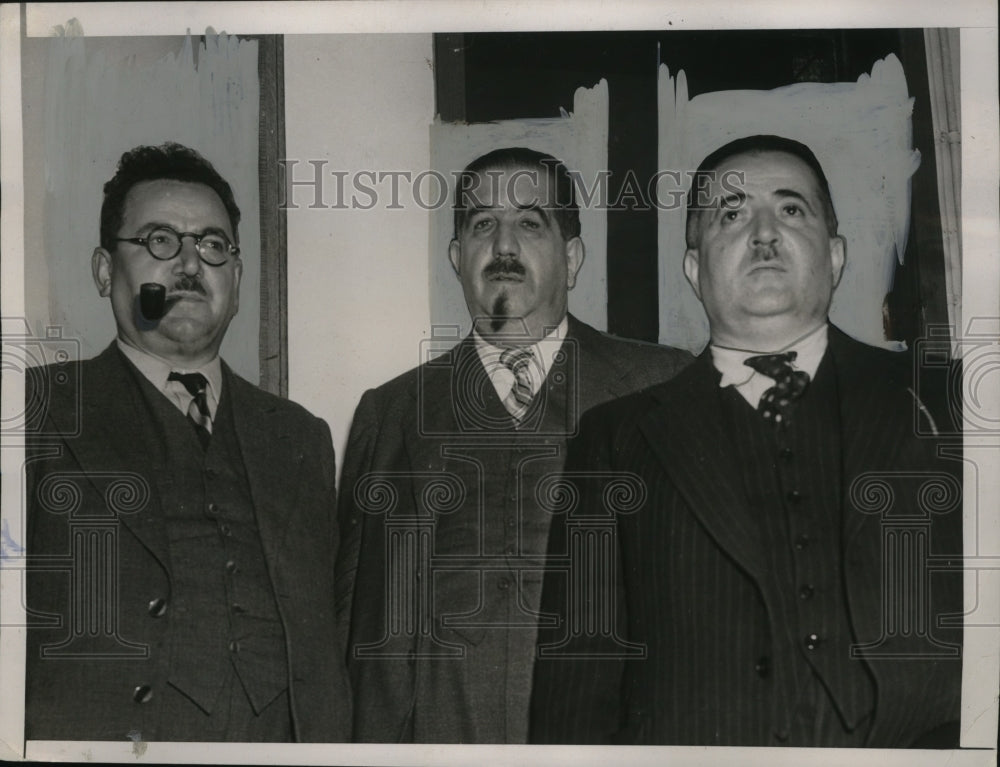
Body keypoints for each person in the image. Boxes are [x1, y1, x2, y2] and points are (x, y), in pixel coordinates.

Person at [530, 135, 963, 748]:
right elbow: (574, 693)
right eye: (730, 216)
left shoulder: (952, 402)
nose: (764, 235)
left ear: (835, 255)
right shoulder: (612, 441)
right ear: (694, 269)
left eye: (791, 209)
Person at [336, 147, 691, 743]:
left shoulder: (662, 388)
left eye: (529, 222)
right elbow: (356, 626)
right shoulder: (392, 412)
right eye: (483, 224)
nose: (504, 245)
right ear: (458, 258)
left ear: (571, 257)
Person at [24, 142, 351, 742]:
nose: (189, 264)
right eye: (160, 240)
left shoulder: (301, 437)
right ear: (105, 271)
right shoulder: (35, 410)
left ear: (237, 278)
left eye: (213, 245)